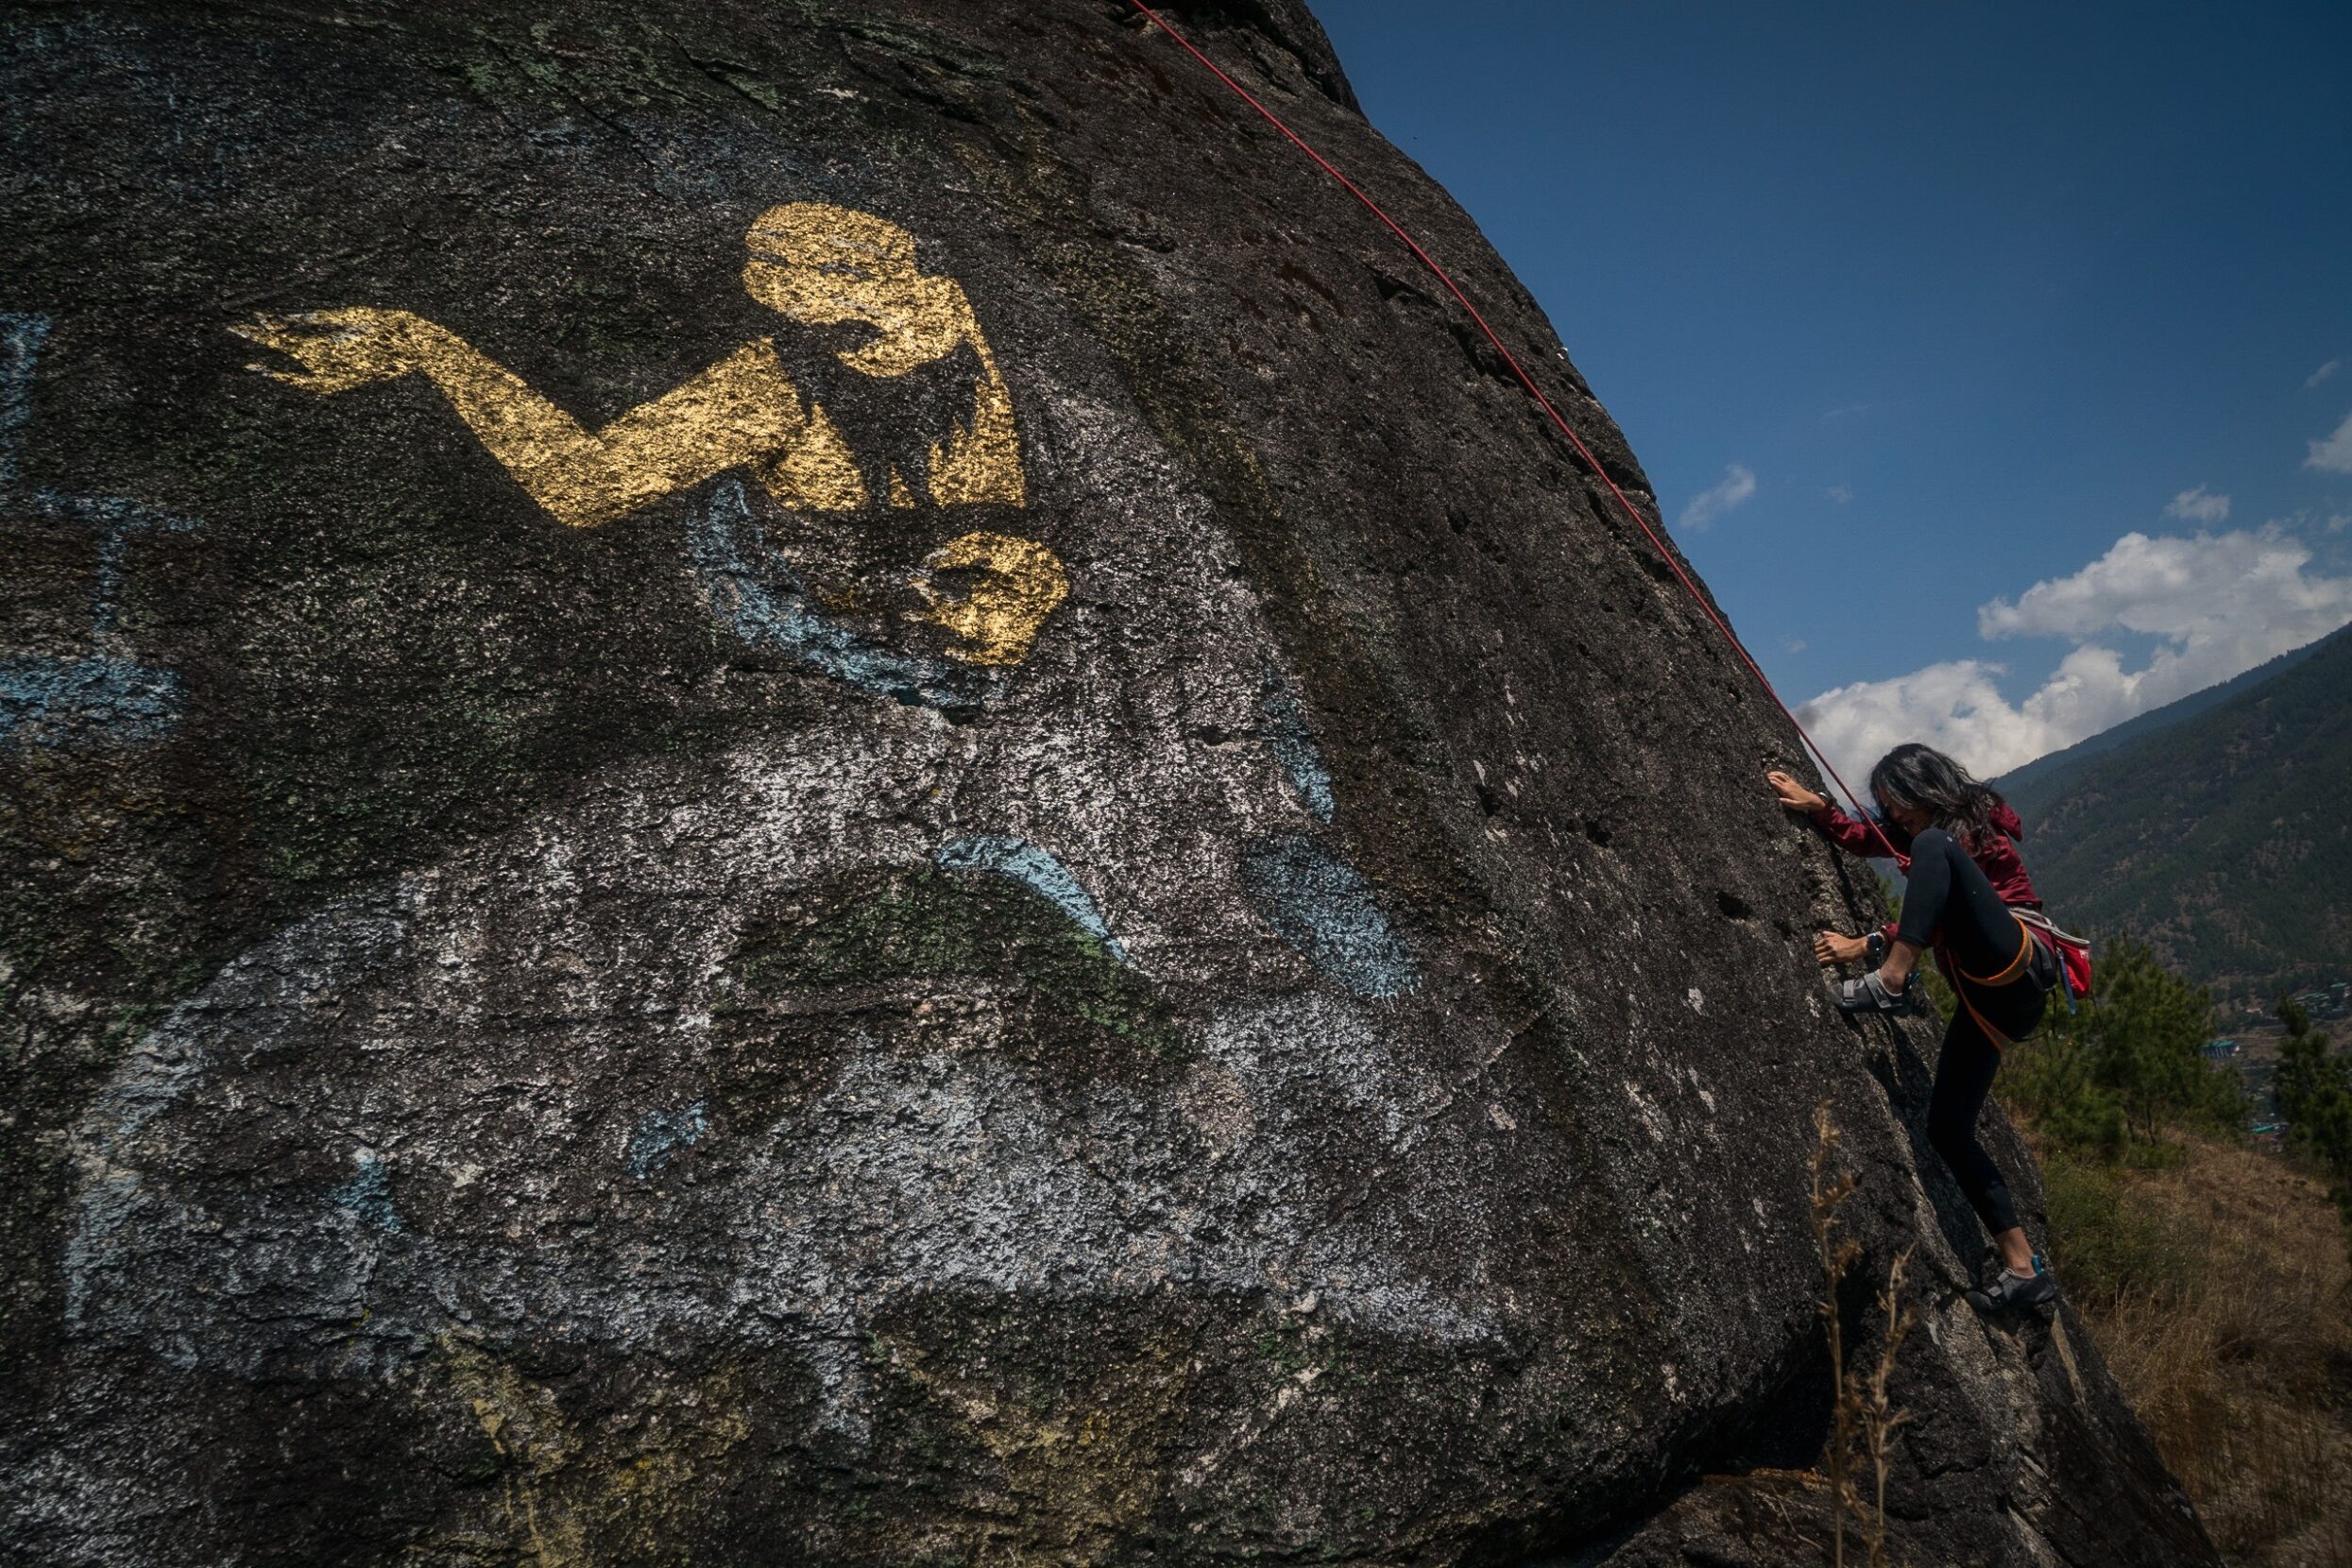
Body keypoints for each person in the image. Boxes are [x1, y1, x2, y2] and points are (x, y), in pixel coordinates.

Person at [1767, 743, 2061, 1313]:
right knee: (1948, 1129)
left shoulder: (1969, 828)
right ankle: (2024, 1269)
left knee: (1932, 847)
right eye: (1886, 806)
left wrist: (1871, 945)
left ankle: (1891, 980)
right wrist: (1819, 808)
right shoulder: (1928, 836)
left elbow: (1943, 900)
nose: (1894, 815)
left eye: (1897, 801)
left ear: (1924, 786)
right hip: (1991, 1006)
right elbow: (1866, 841)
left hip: (2023, 961)